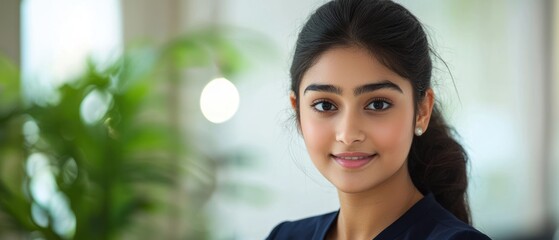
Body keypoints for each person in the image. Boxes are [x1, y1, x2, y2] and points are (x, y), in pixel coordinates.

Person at [266, 0, 491, 239]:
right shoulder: (285, 236)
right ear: (298, 110)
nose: (348, 134)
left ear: (422, 111)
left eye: (378, 104)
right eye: (325, 105)